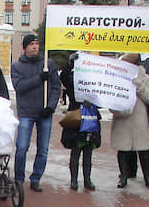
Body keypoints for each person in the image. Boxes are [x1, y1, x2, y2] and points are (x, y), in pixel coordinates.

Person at [11, 34, 61, 192]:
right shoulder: (17, 66)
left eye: (36, 43)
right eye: (31, 44)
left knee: (43, 148)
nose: (34, 46)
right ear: (24, 48)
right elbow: (20, 87)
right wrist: (39, 78)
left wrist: (51, 106)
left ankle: (36, 178)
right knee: (22, 147)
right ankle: (19, 178)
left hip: (44, 112)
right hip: (26, 112)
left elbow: (55, 87)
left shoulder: (48, 64)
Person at [111, 52, 149, 189]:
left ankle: (148, 176)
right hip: (123, 118)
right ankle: (123, 176)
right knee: (123, 149)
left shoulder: (144, 77)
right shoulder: (117, 76)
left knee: (144, 150)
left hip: (140, 120)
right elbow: (111, 98)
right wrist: (116, 109)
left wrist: (138, 84)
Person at [60, 53, 100, 190]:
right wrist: (70, 64)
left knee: (88, 152)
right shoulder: (74, 80)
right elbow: (64, 78)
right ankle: (74, 180)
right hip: (77, 120)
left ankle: (87, 180)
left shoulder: (95, 83)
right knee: (76, 150)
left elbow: (102, 99)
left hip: (92, 119)